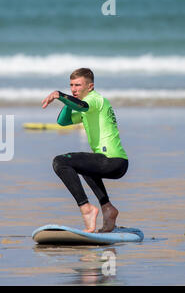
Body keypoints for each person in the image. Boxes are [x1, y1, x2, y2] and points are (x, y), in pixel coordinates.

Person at [41, 68, 128, 233]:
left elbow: (82, 105)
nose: (74, 89)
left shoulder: (95, 100)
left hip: (112, 161)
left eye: (78, 85)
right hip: (113, 161)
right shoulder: (88, 109)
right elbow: (63, 121)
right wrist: (67, 101)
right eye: (71, 85)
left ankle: (86, 208)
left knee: (60, 161)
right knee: (84, 166)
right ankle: (108, 209)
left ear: (90, 86)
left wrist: (61, 95)